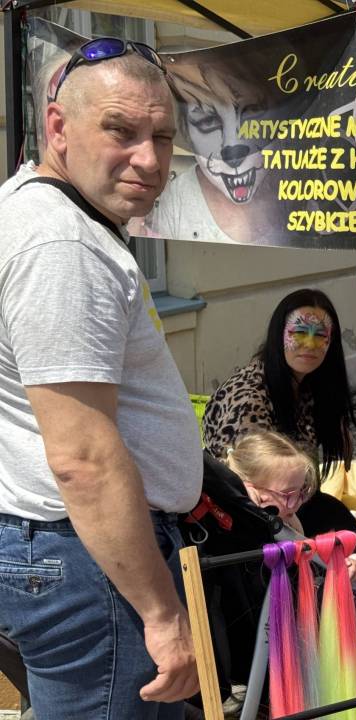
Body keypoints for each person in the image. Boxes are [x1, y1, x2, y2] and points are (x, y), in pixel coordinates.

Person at [0, 40, 202, 718]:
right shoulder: (63, 244)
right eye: (121, 130)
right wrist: (162, 614)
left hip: (77, 555)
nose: (149, 159)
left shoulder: (40, 214)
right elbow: (82, 459)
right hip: (94, 565)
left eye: (162, 137)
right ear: (58, 127)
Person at [202, 288, 356, 478]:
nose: (310, 344)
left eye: (320, 335)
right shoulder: (249, 399)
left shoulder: (310, 383)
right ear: (279, 335)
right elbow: (254, 482)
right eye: (299, 332)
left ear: (331, 342)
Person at [223, 430, 356, 582]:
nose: (298, 502)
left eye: (302, 490)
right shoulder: (233, 533)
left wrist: (353, 564)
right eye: (287, 494)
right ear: (252, 491)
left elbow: (316, 562)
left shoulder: (292, 520)